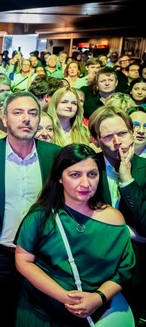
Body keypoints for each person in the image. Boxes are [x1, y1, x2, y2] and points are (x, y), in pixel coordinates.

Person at [0, 91, 62, 327]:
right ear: (5, 118)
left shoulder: (54, 156)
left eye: (32, 113)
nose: (26, 119)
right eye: (18, 112)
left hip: (42, 260)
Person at [15, 143, 135, 325]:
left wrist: (98, 298)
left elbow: (124, 269)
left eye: (92, 174)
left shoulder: (114, 219)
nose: (85, 183)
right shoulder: (42, 215)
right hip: (41, 310)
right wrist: (67, 297)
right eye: (75, 175)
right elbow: (23, 261)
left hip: (94, 313)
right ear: (60, 178)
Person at [88, 105, 146, 322]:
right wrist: (124, 230)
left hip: (136, 269)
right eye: (108, 136)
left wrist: (127, 179)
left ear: (131, 132)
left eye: (122, 133)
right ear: (95, 140)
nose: (117, 141)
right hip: (93, 266)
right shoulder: (87, 167)